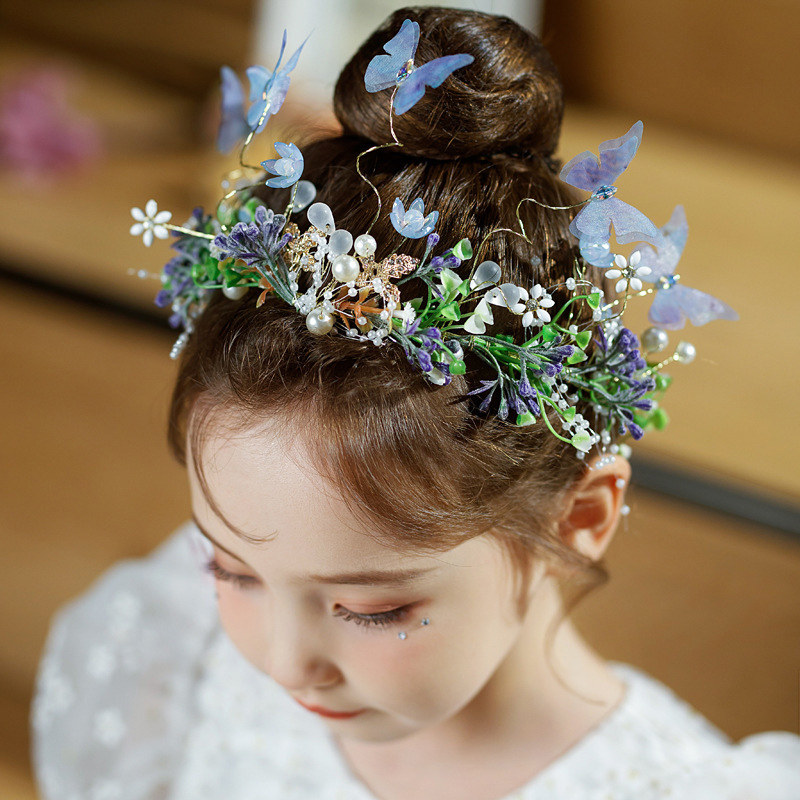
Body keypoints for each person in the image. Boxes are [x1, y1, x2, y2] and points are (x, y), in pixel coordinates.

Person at [31, 7, 800, 799]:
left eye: (372, 611)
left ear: (579, 518)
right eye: (229, 571)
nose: (286, 662)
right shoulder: (177, 661)